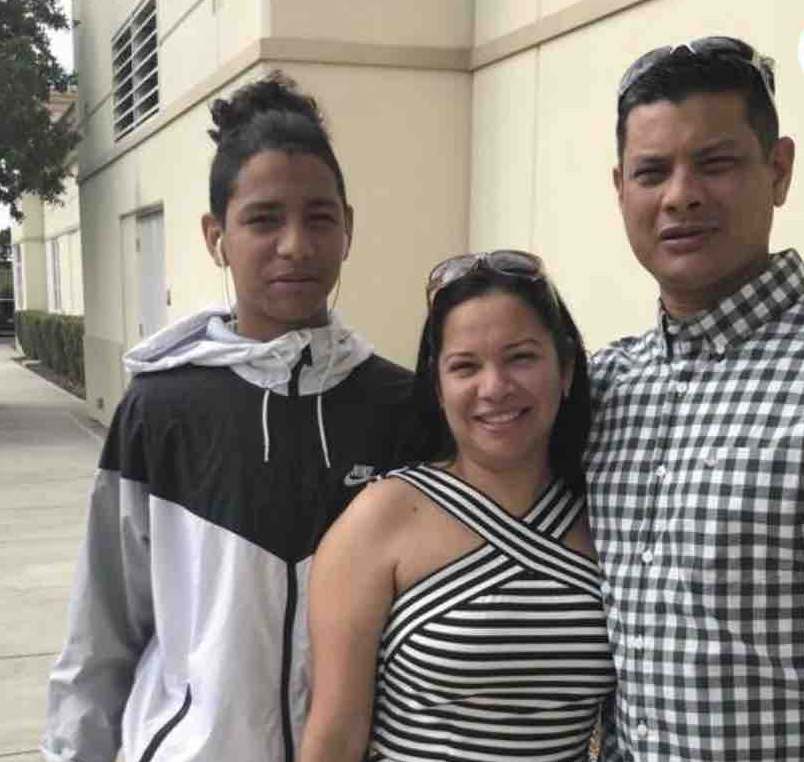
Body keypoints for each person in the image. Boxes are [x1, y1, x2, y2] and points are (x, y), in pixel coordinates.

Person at [41, 72, 414, 762]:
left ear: (348, 229)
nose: (296, 245)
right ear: (216, 236)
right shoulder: (160, 409)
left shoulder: (401, 407)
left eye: (319, 217)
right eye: (264, 219)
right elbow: (102, 633)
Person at [300, 251, 616, 762]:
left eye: (521, 357)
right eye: (465, 366)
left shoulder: (607, 515)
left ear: (565, 369)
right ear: (438, 388)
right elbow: (334, 736)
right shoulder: (380, 518)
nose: (494, 388)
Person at [586, 36, 800, 761]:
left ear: (778, 170)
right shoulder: (602, 388)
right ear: (621, 188)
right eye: (652, 172)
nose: (680, 196)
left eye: (715, 164)